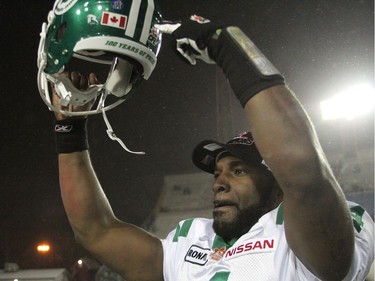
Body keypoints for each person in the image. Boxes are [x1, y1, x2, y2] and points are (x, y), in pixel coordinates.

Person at [48, 14, 374, 281]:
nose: (218, 182)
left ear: (278, 188)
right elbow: (95, 230)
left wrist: (227, 47)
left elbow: (301, 170)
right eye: (218, 172)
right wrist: (70, 130)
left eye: (240, 170)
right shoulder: (191, 241)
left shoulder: (305, 242)